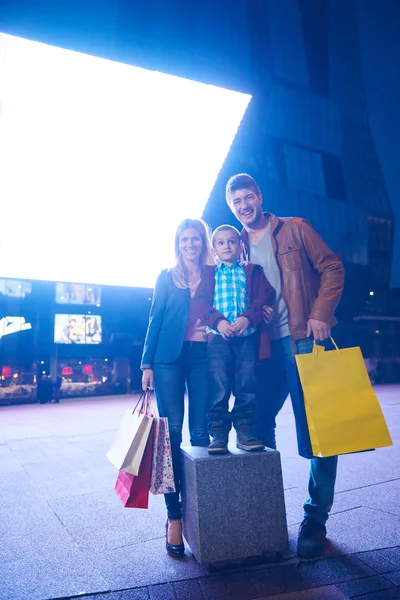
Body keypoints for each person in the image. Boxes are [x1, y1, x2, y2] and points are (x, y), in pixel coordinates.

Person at [225, 173, 345, 559]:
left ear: (259, 196)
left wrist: (321, 311)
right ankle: (267, 513)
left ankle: (315, 519)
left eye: (248, 197)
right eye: (236, 202)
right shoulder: (235, 246)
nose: (244, 206)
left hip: (303, 339)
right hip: (262, 349)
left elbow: (332, 267)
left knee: (320, 431)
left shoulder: (294, 229)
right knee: (255, 426)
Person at [141, 218, 214, 559]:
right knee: (171, 436)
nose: (190, 244)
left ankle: (202, 512)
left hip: (203, 356)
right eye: (184, 239)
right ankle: (174, 516)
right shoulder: (166, 277)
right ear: (178, 243)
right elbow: (155, 319)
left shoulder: (215, 274)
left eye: (195, 239)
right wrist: (146, 364)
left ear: (203, 242)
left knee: (202, 432)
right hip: (167, 360)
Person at [192, 224, 275, 454]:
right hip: (218, 339)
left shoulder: (251, 270)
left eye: (231, 241)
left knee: (246, 383)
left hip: (246, 338)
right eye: (221, 242)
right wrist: (218, 322)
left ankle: (245, 431)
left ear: (240, 246)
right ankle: (218, 433)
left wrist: (248, 318)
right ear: (214, 250)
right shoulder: (210, 273)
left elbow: (266, 295)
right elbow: (199, 302)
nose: (227, 245)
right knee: (218, 385)